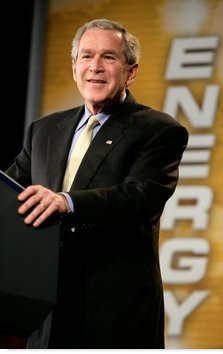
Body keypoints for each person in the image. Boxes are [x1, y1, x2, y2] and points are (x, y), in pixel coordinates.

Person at [5, 18, 189, 349]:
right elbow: (11, 192)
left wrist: (67, 202)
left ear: (130, 71)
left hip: (114, 310)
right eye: (87, 56)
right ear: (75, 68)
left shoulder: (159, 130)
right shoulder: (44, 130)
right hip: (45, 306)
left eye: (108, 57)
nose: (95, 67)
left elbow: (139, 197)